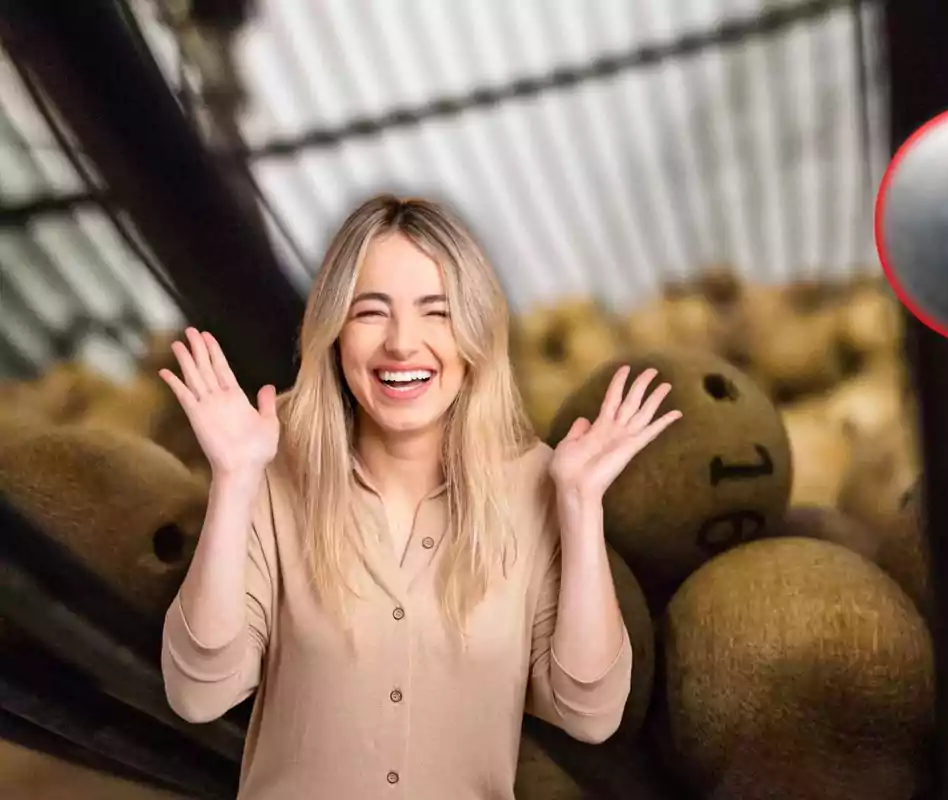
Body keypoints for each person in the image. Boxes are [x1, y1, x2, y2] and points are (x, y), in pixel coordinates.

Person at [157, 195, 682, 799]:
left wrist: (582, 505)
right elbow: (199, 694)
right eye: (371, 312)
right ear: (332, 334)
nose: (403, 344)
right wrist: (233, 481)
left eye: (437, 313)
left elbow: (589, 713)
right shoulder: (274, 476)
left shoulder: (534, 482)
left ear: (476, 333)